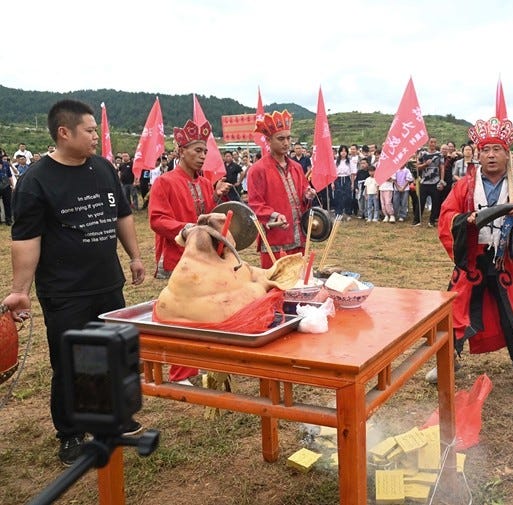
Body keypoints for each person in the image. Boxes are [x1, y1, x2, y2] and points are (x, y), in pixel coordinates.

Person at [1, 99, 146, 465]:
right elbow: (26, 240)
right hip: (65, 291)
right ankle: (70, 433)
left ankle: (111, 418)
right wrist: (21, 291)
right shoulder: (36, 181)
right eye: (90, 130)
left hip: (107, 283)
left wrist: (134, 256)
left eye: (96, 130)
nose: (96, 136)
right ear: (64, 133)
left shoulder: (102, 168)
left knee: (113, 353)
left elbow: (122, 216)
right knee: (69, 362)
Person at [434, 117, 513, 393]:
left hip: (509, 263)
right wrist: (466, 220)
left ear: (507, 154)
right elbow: (446, 216)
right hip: (473, 259)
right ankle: (447, 363)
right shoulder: (465, 186)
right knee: (454, 312)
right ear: (478, 154)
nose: (491, 155)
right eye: (486, 150)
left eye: (497, 150)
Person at [148, 119, 231, 383]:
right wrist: (186, 229)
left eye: (205, 152)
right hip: (180, 256)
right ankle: (180, 372)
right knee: (181, 315)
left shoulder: (205, 183)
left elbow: (206, 215)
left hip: (205, 258)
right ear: (181, 150)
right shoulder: (165, 182)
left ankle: (199, 363)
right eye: (197, 151)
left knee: (203, 312)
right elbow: (157, 219)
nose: (202, 156)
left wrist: (217, 199)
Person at [247, 110, 316, 268]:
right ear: (269, 140)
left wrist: (308, 195)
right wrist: (274, 215)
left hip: (299, 236)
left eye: (288, 138)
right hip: (275, 239)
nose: (286, 143)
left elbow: (303, 194)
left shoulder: (297, 167)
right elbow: (255, 204)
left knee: (299, 283)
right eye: (281, 138)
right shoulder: (258, 170)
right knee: (276, 285)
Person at [415, 137, 445, 227]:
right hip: (424, 181)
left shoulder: (440, 154)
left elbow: (442, 168)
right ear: (428, 142)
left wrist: (442, 180)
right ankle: (417, 220)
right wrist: (425, 164)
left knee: (435, 202)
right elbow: (417, 167)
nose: (433, 144)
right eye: (431, 142)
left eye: (434, 142)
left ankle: (431, 221)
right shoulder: (422, 153)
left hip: (435, 181)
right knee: (421, 201)